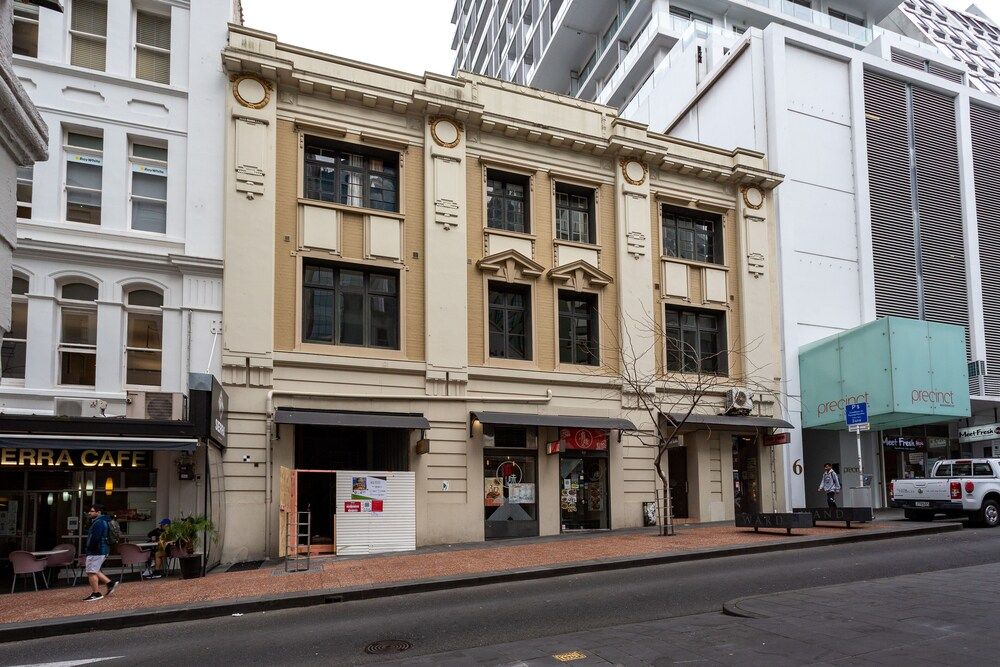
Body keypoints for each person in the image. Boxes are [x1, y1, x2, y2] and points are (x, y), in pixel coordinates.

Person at [83, 504, 118, 602]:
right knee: (95, 570)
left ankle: (96, 593)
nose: (89, 513)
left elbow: (95, 538)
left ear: (98, 512)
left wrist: (89, 547)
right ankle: (110, 583)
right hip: (101, 550)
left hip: (96, 550)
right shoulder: (102, 521)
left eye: (92, 511)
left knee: (91, 572)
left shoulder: (99, 522)